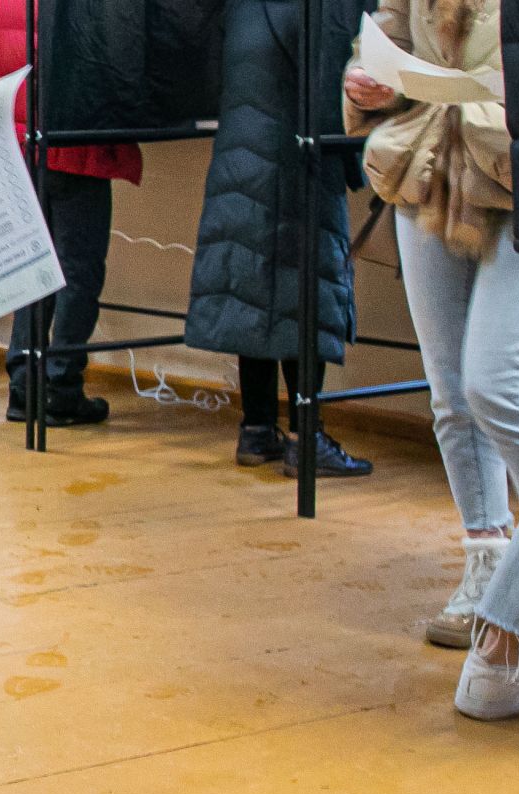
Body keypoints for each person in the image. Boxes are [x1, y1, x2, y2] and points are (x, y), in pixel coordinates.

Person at [344, 0, 519, 653]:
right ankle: (487, 562)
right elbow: (389, 35)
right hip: (428, 170)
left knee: (498, 385)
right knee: (451, 391)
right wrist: (366, 85)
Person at [187, 0, 373, 479]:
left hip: (238, 154)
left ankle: (256, 430)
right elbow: (330, 90)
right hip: (296, 160)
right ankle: (307, 437)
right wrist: (357, 166)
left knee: (251, 290)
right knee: (304, 296)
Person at [0, 0, 139, 427]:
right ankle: (61, 387)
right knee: (78, 270)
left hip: (21, 145)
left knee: (34, 266)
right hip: (76, 142)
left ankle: (23, 385)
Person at [456, 0, 519, 718]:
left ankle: (506, 634)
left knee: (494, 382)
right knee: (468, 390)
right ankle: (504, 634)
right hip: (455, 166)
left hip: (510, 174)